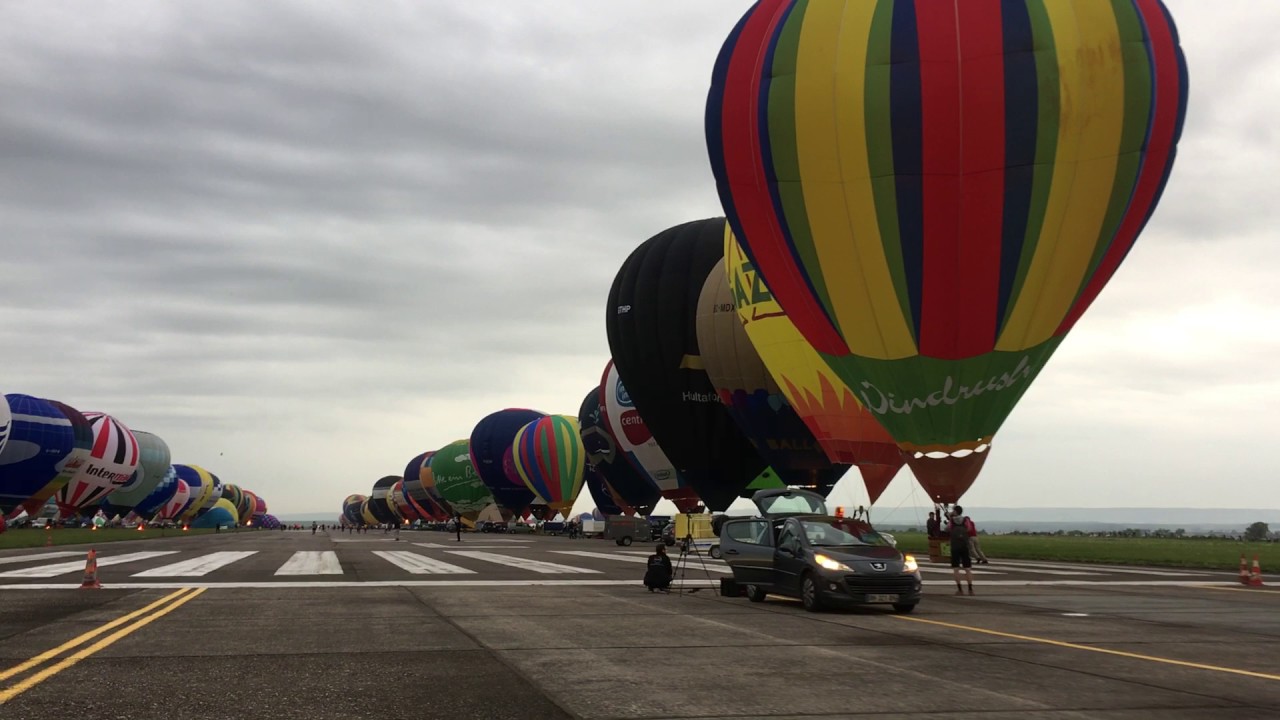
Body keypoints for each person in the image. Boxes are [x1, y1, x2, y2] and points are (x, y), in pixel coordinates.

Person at [947, 506, 974, 595]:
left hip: (955, 546)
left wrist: (950, 517)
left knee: (956, 568)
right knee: (967, 568)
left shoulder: (952, 521)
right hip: (964, 545)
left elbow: (947, 529)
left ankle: (960, 589)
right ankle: (970, 589)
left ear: (955, 511)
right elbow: (969, 529)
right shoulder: (965, 520)